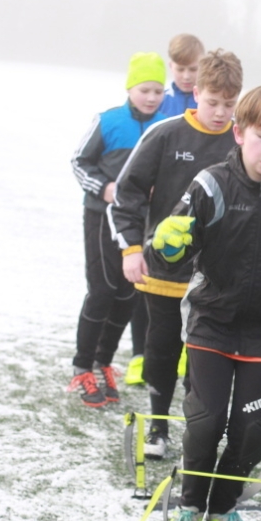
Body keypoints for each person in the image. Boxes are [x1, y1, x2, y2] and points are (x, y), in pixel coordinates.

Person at [150, 86, 261, 521]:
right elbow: (170, 253)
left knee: (250, 428)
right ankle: (188, 506)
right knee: (206, 420)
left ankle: (223, 509)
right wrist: (166, 245)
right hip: (212, 321)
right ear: (239, 134)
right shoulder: (210, 184)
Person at [109, 49, 242, 459]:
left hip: (218, 279)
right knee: (162, 351)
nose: (220, 113)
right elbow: (126, 194)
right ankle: (158, 428)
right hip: (163, 272)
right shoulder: (165, 134)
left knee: (204, 359)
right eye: (213, 102)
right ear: (195, 93)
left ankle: (196, 436)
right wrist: (132, 249)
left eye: (229, 104)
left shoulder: (243, 140)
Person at [68, 52, 167, 407]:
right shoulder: (108, 121)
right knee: (102, 290)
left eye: (158, 91)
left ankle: (103, 363)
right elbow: (79, 162)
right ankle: (81, 368)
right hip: (101, 217)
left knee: (128, 294)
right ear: (129, 89)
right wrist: (104, 188)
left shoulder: (165, 126)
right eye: (144, 90)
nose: (151, 97)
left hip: (140, 222)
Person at [125, 33, 207, 387]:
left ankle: (185, 351)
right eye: (181, 69)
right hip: (159, 214)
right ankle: (138, 356)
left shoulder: (209, 104)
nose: (187, 76)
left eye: (194, 69)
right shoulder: (162, 103)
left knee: (192, 291)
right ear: (171, 66)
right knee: (146, 287)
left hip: (196, 214)